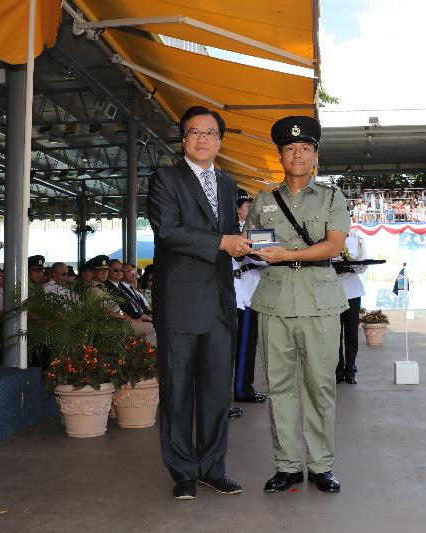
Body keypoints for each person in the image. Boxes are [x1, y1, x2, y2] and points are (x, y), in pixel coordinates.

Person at [147, 105, 252, 500]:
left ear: (220, 141)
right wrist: (222, 243)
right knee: (177, 393)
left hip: (220, 304)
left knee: (215, 393)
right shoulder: (164, 179)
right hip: (180, 303)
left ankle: (213, 468)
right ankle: (183, 473)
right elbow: (168, 232)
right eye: (195, 132)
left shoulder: (227, 183)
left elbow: (228, 235)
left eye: (210, 133)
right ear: (183, 139)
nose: (203, 139)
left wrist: (243, 245)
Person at [245, 115, 349, 494]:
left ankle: (321, 466)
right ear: (280, 156)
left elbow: (334, 245)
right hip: (273, 303)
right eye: (290, 148)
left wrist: (288, 253)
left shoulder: (333, 198)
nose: (298, 154)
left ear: (315, 154)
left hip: (320, 303)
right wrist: (256, 251)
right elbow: (255, 246)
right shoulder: (263, 201)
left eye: (305, 147)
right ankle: (287, 466)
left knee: (320, 388)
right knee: (280, 387)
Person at [233, 190, 267, 404]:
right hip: (240, 288)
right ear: (237, 210)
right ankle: (241, 388)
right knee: (242, 343)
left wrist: (260, 253)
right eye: (248, 207)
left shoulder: (258, 231)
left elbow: (265, 259)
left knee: (249, 342)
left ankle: (245, 386)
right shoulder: (234, 231)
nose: (252, 211)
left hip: (252, 289)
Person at [335, 227, 370, 384]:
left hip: (352, 291)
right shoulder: (328, 238)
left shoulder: (357, 240)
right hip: (333, 290)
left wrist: (352, 265)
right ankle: (338, 370)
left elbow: (363, 266)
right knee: (335, 335)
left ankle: (350, 370)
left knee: (351, 334)